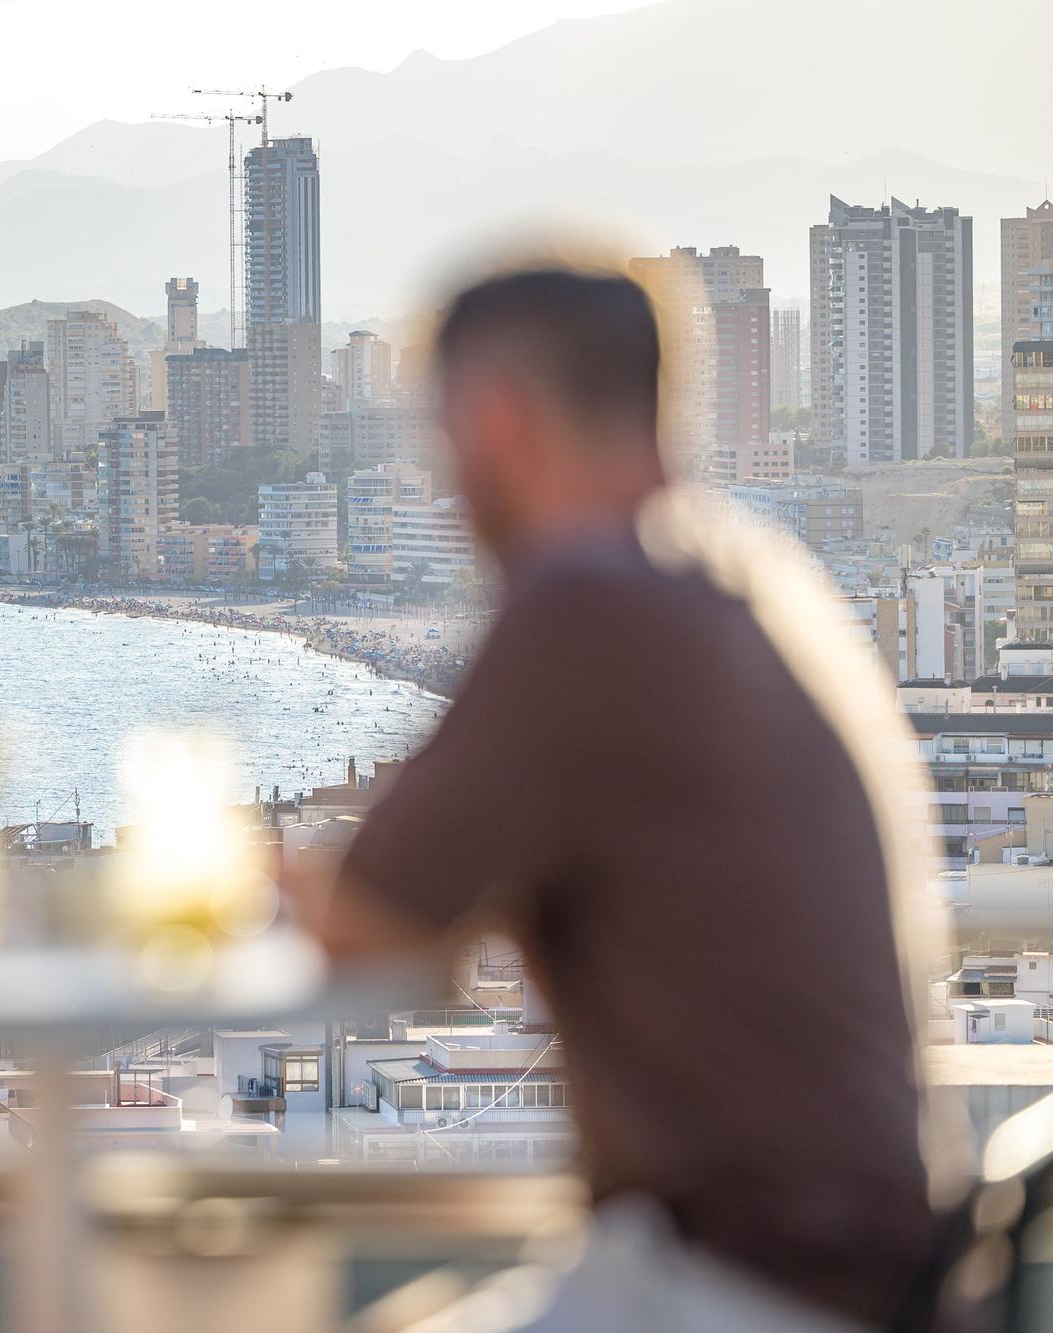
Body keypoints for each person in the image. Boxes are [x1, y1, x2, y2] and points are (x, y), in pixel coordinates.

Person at [324, 269, 962, 1331]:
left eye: (440, 444)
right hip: (869, 1270)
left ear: (495, 420)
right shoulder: (739, 575)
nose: (444, 484)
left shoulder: (585, 602)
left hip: (747, 1285)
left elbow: (367, 921)